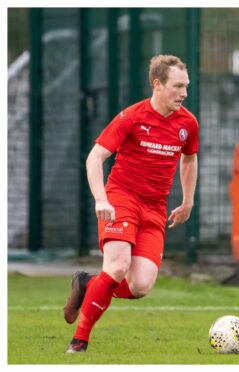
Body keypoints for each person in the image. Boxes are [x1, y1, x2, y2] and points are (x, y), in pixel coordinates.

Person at [63, 55, 199, 353]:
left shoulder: (188, 123)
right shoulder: (132, 117)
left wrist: (187, 201)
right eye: (178, 86)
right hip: (121, 198)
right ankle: (79, 343)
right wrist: (101, 198)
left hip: (155, 207)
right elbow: (95, 157)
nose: (184, 93)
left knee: (140, 286)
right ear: (157, 84)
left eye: (186, 86)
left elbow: (189, 158)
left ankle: (87, 284)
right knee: (118, 265)